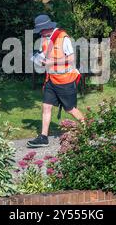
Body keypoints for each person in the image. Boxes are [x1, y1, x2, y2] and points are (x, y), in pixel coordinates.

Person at [27, 14, 84, 148]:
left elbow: (71, 59)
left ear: (47, 28)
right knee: (46, 106)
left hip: (65, 80)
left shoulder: (63, 37)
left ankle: (88, 128)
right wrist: (41, 61)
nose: (40, 33)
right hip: (51, 79)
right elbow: (46, 56)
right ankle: (43, 137)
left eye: (41, 30)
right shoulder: (44, 38)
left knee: (70, 109)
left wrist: (53, 61)